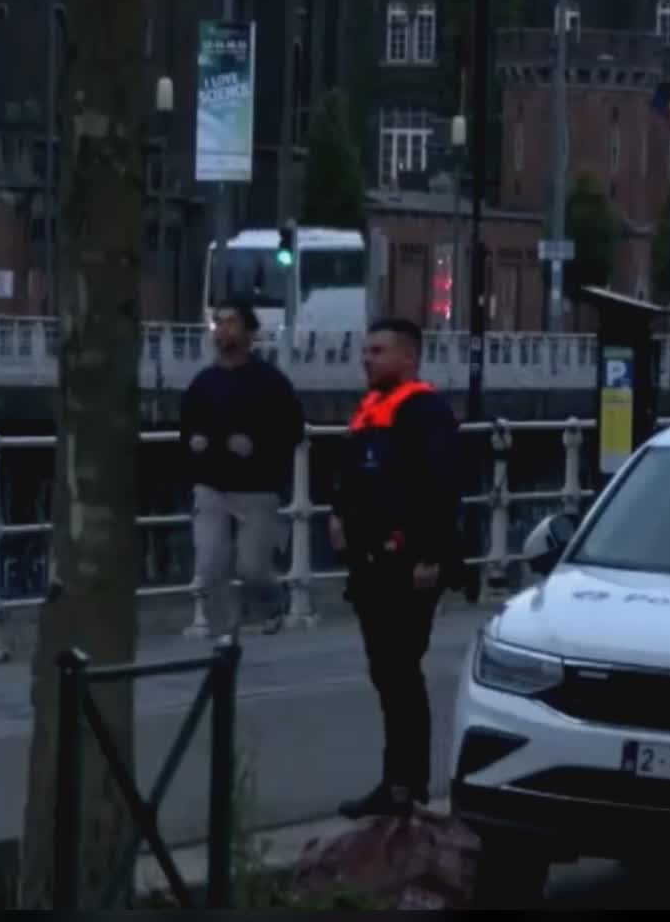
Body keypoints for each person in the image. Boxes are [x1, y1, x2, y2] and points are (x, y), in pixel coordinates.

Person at [331, 317, 465, 819]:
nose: (367, 358)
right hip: (369, 562)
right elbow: (349, 473)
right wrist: (337, 514)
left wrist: (431, 554)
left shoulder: (424, 411)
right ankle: (396, 781)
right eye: (365, 350)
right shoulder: (369, 411)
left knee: (401, 671)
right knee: (387, 672)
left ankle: (408, 784)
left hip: (408, 563)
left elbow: (441, 485)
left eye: (378, 350)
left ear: (408, 358)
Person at [180, 300, 304, 641]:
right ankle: (224, 635)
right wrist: (194, 442)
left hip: (257, 487)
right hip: (211, 485)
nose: (222, 330)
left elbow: (293, 430)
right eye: (218, 323)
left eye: (231, 323)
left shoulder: (270, 382)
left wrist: (257, 446)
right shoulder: (203, 382)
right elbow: (186, 427)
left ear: (249, 332)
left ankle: (272, 601)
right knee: (209, 565)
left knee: (252, 568)